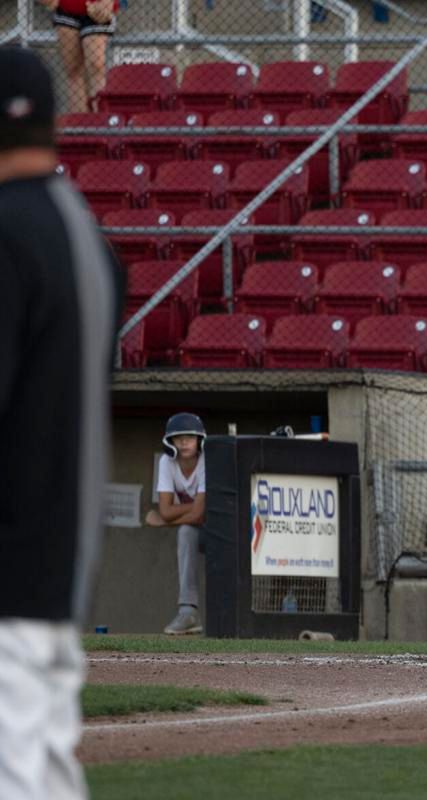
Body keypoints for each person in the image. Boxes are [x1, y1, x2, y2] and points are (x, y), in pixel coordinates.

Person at [0, 47, 123, 799]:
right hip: (56, 572)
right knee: (43, 775)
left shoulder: (8, 232)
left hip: (7, 564)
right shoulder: (86, 235)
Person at [144, 412, 207, 635]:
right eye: (178, 437)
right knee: (186, 532)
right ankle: (188, 612)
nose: (184, 441)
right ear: (170, 442)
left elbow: (199, 513)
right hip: (198, 528)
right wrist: (171, 515)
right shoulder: (166, 462)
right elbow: (166, 509)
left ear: (200, 439)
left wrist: (165, 522)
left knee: (187, 527)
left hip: (224, 528)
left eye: (190, 436)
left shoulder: (206, 460)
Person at [39, 0, 118, 113]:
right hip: (66, 8)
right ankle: (79, 123)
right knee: (73, 70)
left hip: (98, 8)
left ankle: (99, 120)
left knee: (96, 65)